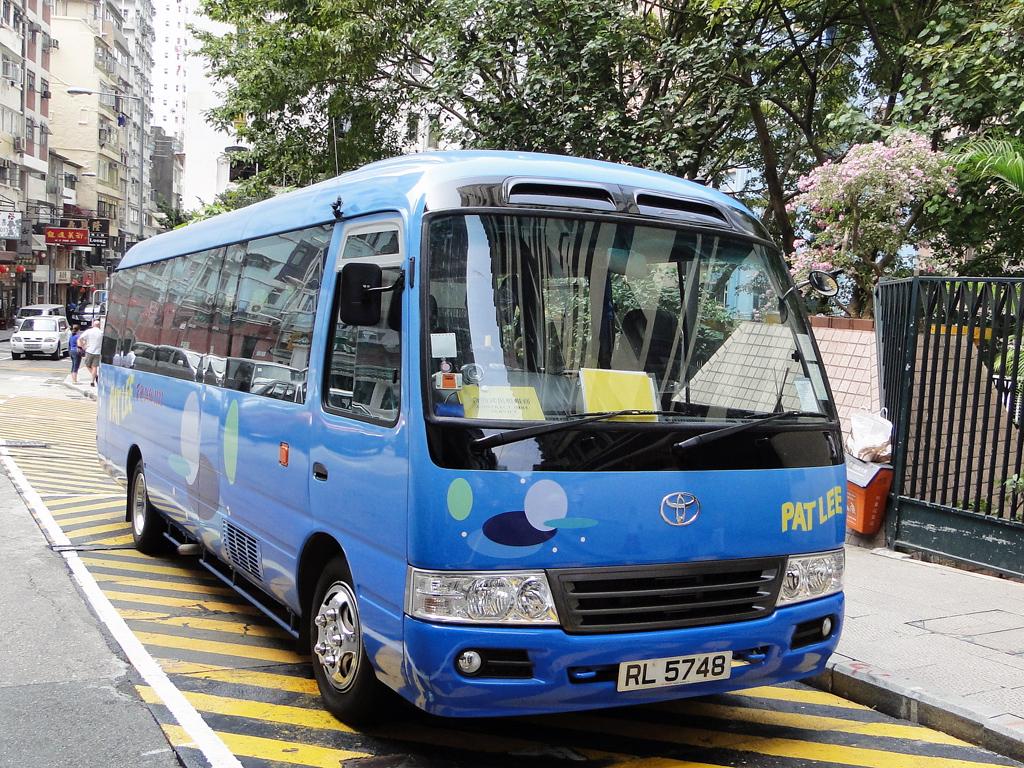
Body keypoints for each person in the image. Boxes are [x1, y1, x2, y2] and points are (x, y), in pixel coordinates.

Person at [78, 319, 103, 387]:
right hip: (98, 351)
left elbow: (80, 338)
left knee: (87, 364)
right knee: (94, 367)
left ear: (93, 325)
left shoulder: (89, 331)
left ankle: (95, 376)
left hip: (89, 350)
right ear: (99, 325)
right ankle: (92, 381)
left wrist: (83, 346)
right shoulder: (101, 333)